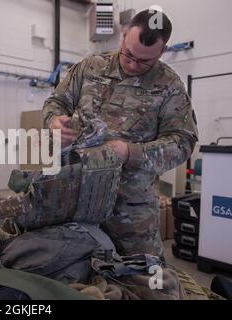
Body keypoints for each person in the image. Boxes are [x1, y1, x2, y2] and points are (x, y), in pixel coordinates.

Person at [42, 10, 198, 257]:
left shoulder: (170, 86)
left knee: (146, 277)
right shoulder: (90, 67)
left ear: (162, 51)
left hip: (129, 207)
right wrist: (54, 122)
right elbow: (56, 102)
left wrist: (131, 153)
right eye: (129, 54)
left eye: (145, 61)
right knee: (71, 270)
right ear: (123, 35)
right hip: (75, 195)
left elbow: (183, 142)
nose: (134, 64)